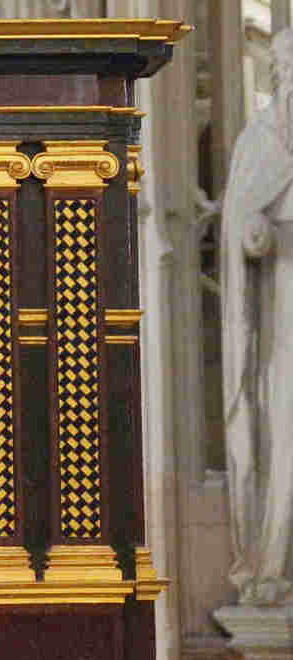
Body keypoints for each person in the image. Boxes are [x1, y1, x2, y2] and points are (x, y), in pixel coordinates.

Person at [221, 29, 293, 605]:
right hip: (284, 312)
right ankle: (273, 563)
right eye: (285, 67)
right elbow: (244, 228)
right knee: (283, 432)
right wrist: (255, 234)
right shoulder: (261, 140)